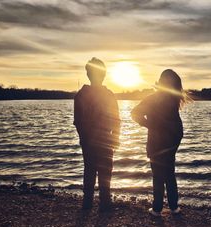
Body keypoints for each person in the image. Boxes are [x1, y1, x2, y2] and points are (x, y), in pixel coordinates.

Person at [131, 69, 184, 216]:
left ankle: (157, 208)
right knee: (169, 173)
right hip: (172, 140)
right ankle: (173, 207)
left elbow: (134, 113)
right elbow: (176, 124)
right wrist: (152, 125)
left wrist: (150, 125)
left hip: (158, 142)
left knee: (158, 175)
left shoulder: (154, 99)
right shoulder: (173, 100)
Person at [74, 57, 120, 212]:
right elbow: (116, 120)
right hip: (102, 140)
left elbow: (78, 122)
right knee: (103, 172)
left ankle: (89, 204)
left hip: (92, 141)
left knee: (90, 171)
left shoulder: (81, 95)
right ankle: (103, 204)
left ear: (88, 74)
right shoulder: (107, 95)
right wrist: (115, 137)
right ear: (104, 74)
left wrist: (84, 138)